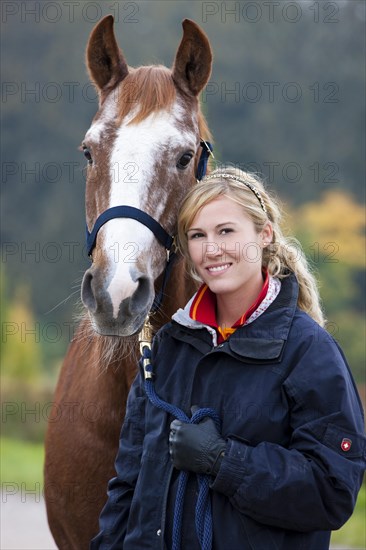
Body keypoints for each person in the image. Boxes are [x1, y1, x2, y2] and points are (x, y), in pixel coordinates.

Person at [91, 168, 365, 550]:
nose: (212, 249)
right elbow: (128, 484)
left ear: (264, 234)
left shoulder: (309, 351)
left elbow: (332, 491)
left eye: (226, 231)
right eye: (197, 236)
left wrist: (223, 461)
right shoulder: (167, 346)